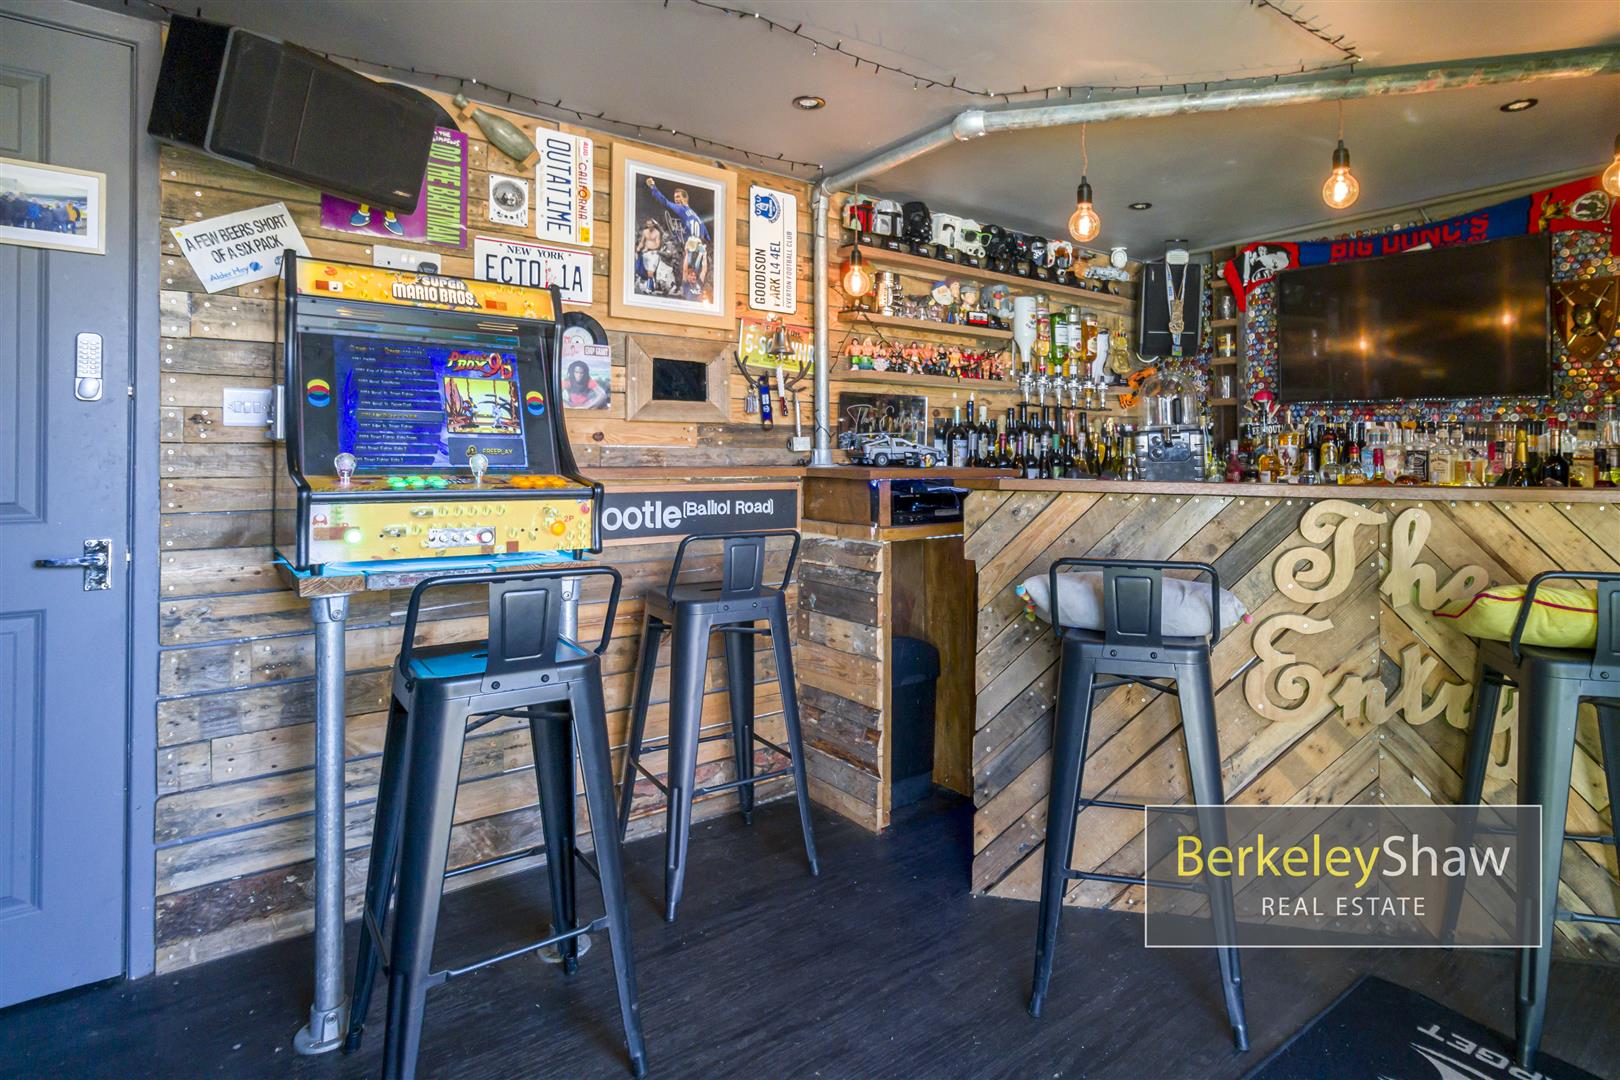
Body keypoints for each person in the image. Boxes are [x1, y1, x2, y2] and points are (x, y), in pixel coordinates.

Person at [643, 178, 710, 296]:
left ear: (686, 199)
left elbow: (664, 202)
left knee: (682, 272)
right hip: (699, 250)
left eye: (678, 197)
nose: (676, 199)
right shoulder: (696, 216)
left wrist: (653, 187)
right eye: (675, 197)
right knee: (698, 276)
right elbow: (707, 237)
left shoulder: (681, 208)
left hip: (691, 248)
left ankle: (674, 288)